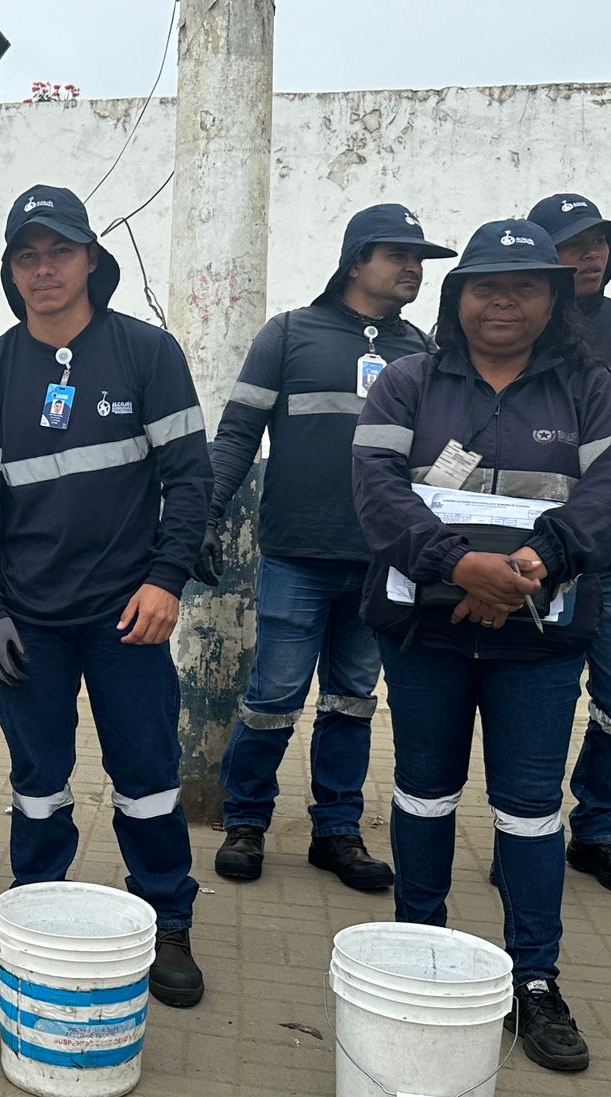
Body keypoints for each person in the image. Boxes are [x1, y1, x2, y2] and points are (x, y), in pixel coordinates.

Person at [353, 218, 611, 1071]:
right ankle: (418, 948)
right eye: (485, 287)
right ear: (457, 298)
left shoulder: (590, 389)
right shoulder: (407, 382)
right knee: (424, 792)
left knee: (530, 808)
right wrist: (461, 567)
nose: (503, 302)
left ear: (554, 299)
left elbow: (605, 493)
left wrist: (534, 564)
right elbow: (376, 491)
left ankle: (533, 978)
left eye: (525, 287)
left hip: (539, 643)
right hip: (426, 633)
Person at [0, 186, 213, 1007]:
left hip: (127, 616)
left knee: (148, 775)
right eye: (27, 256)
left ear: (91, 260)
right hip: (29, 621)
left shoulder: (146, 353)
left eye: (60, 252)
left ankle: (168, 920)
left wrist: (166, 580)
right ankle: (35, 925)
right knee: (38, 783)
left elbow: (191, 480)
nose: (45, 270)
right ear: (10, 271)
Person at [196, 205, 455, 890]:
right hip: (297, 555)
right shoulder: (288, 334)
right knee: (273, 696)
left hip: (382, 563)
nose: (414, 269)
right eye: (399, 255)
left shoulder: (420, 352)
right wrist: (206, 515)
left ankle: (337, 832)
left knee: (352, 700)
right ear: (355, 261)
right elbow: (237, 434)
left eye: (419, 259)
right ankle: (245, 821)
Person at [528, 193, 611, 890]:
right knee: (538, 705)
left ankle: (598, 827)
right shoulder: (520, 332)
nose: (591, 255)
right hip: (538, 558)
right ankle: (526, 826)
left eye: (599, 242)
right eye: (573, 244)